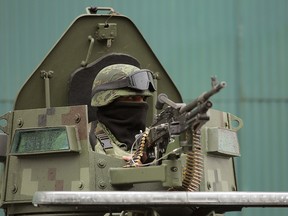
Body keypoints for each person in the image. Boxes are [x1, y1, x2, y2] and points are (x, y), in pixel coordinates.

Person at [90, 63, 156, 159]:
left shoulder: (154, 139)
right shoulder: (84, 139)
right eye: (131, 98)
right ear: (107, 101)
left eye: (142, 98)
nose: (140, 104)